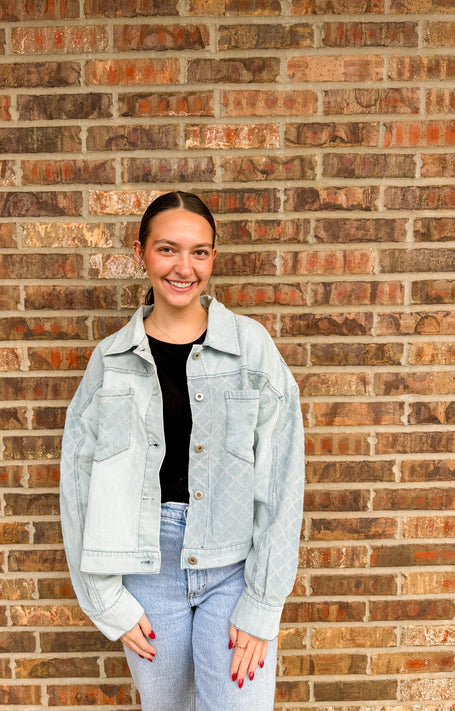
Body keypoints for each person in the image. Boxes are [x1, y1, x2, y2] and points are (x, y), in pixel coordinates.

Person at [60, 191, 304, 711]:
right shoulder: (111, 362)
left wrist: (262, 604)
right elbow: (77, 486)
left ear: (213, 258)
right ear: (141, 252)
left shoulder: (252, 348)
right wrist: (107, 600)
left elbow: (283, 478)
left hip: (234, 566)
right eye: (167, 249)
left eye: (200, 252)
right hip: (149, 571)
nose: (183, 267)